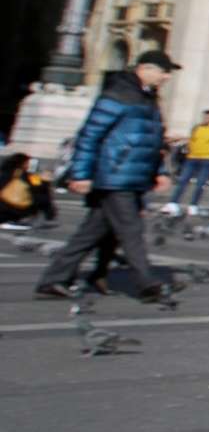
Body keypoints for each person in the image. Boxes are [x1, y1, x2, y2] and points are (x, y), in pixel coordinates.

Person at [33, 50, 177, 301]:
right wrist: (81, 174)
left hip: (131, 176)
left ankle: (54, 279)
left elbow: (152, 141)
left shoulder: (147, 98)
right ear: (145, 68)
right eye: (164, 71)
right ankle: (146, 283)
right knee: (131, 229)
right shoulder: (117, 94)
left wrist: (159, 171)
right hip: (114, 174)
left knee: (92, 232)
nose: (166, 77)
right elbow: (89, 136)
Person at [166, 109, 209, 214]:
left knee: (200, 184)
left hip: (208, 158)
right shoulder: (196, 127)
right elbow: (192, 140)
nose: (206, 119)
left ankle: (193, 205)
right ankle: (173, 203)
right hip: (192, 157)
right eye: (204, 117)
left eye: (208, 117)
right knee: (183, 181)